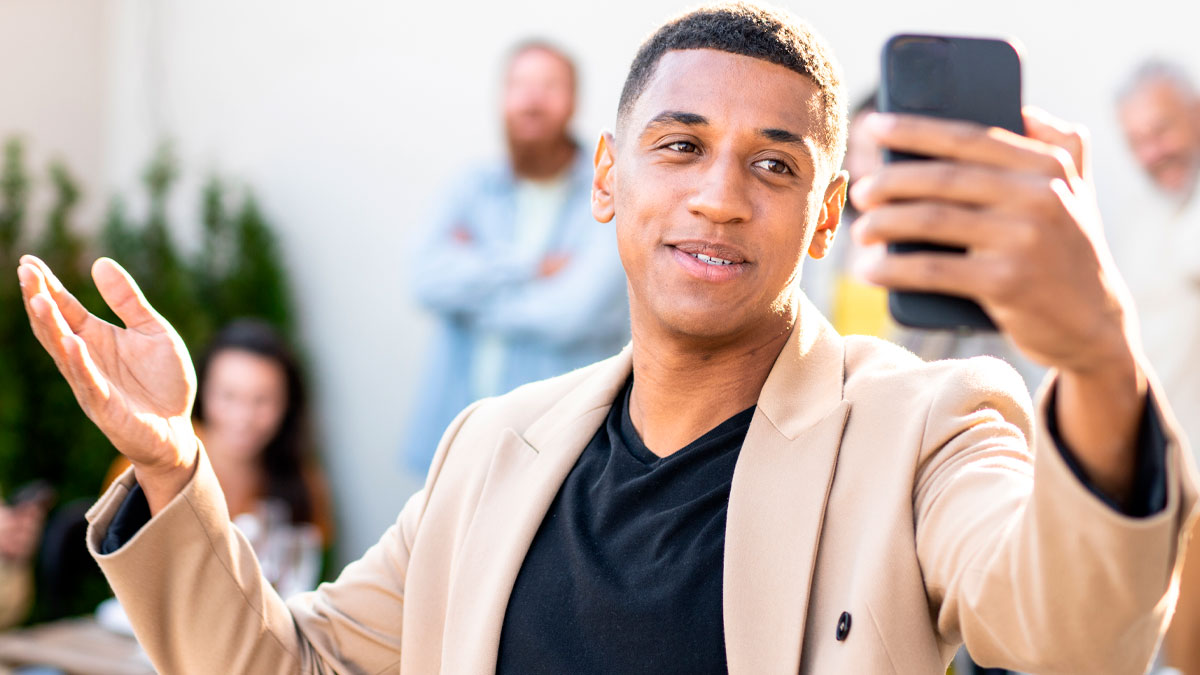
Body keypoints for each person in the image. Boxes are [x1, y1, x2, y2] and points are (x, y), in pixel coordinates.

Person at [15, 3, 1199, 673]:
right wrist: (174, 466)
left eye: (775, 166)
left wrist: (1099, 360)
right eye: (679, 147)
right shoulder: (491, 448)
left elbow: (1071, 641)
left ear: (829, 214)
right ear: (608, 177)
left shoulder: (927, 425)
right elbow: (294, 663)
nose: (720, 197)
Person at [404, 40, 631, 474]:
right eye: (519, 85)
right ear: (502, 98)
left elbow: (572, 313)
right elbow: (423, 279)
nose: (532, 99)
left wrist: (465, 298)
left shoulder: (610, 191)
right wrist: (527, 267)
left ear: (573, 103)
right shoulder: (469, 186)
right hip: (455, 444)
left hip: (554, 455)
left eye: (549, 86)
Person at [104, 319, 333, 593]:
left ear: (287, 405)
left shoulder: (302, 480)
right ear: (202, 393)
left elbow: (301, 574)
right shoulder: (155, 461)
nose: (243, 417)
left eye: (262, 400)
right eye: (228, 396)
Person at [1116, 59, 1200, 675]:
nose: (1154, 151)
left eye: (1163, 130)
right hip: (1164, 489)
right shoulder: (1145, 226)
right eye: (1139, 140)